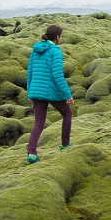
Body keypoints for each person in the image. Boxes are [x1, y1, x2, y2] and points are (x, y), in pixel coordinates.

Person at [24, 23, 73, 162]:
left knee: (38, 124)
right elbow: (57, 75)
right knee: (67, 113)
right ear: (57, 37)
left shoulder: (36, 49)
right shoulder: (55, 51)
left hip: (36, 90)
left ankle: (31, 154)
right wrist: (67, 95)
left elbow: (30, 72)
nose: (61, 38)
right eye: (61, 36)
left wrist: (30, 91)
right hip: (50, 91)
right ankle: (65, 144)